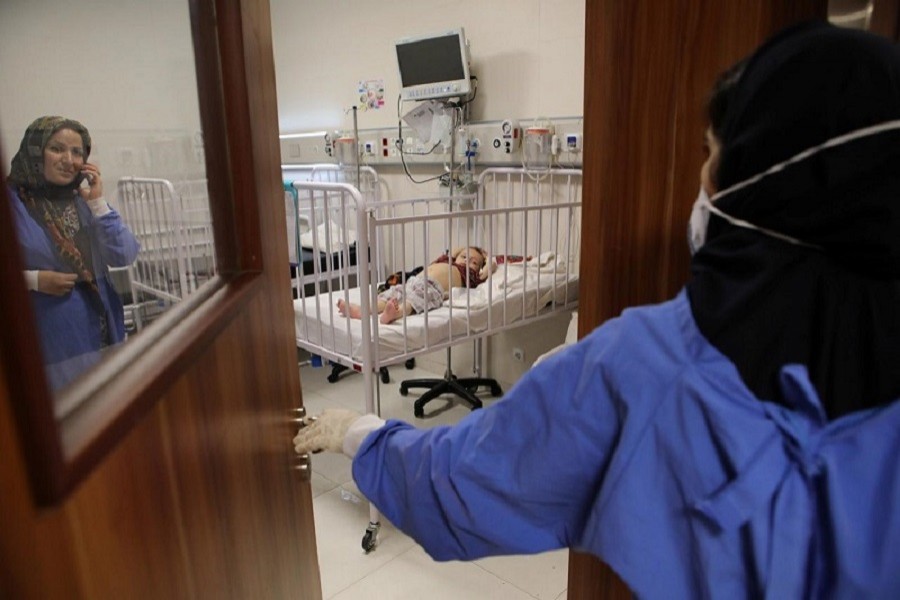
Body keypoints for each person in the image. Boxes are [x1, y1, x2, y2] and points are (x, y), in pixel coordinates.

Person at [294, 21, 900, 597]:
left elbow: (461, 481)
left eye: (710, 153)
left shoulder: (644, 370)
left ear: (753, 181)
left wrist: (363, 435)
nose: (701, 175)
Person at [7, 116, 140, 392]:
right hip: (51, 344)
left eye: (77, 152)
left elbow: (125, 254)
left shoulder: (83, 201)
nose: (69, 159)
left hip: (105, 332)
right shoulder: (11, 204)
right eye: (57, 149)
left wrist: (99, 204)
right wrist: (33, 280)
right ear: (35, 150)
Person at [337, 246, 490, 324]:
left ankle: (394, 314)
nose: (467, 261)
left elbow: (489, 269)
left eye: (474, 262)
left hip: (434, 287)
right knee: (392, 293)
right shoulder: (446, 261)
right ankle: (362, 310)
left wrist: (487, 257)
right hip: (414, 280)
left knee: (415, 300)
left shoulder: (472, 275)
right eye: (464, 257)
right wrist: (462, 251)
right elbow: (453, 253)